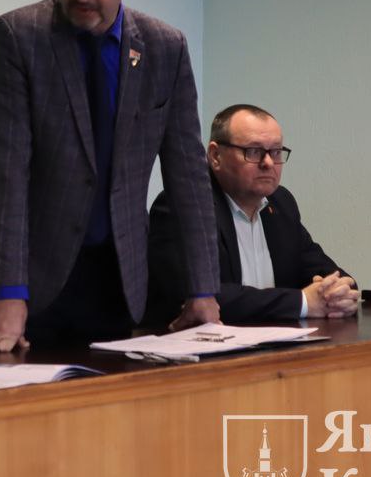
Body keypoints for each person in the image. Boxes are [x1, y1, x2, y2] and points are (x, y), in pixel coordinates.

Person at [0, 0, 221, 351]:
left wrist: (202, 288)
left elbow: (188, 175)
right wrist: (9, 292)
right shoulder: (18, 38)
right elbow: (5, 175)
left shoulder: (164, 48)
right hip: (29, 276)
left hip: (117, 276)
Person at [148, 104, 360, 322]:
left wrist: (340, 292)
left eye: (276, 152)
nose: (268, 163)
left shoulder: (281, 204)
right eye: (254, 151)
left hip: (276, 340)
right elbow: (201, 298)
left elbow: (330, 273)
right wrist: (303, 302)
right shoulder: (184, 208)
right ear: (215, 156)